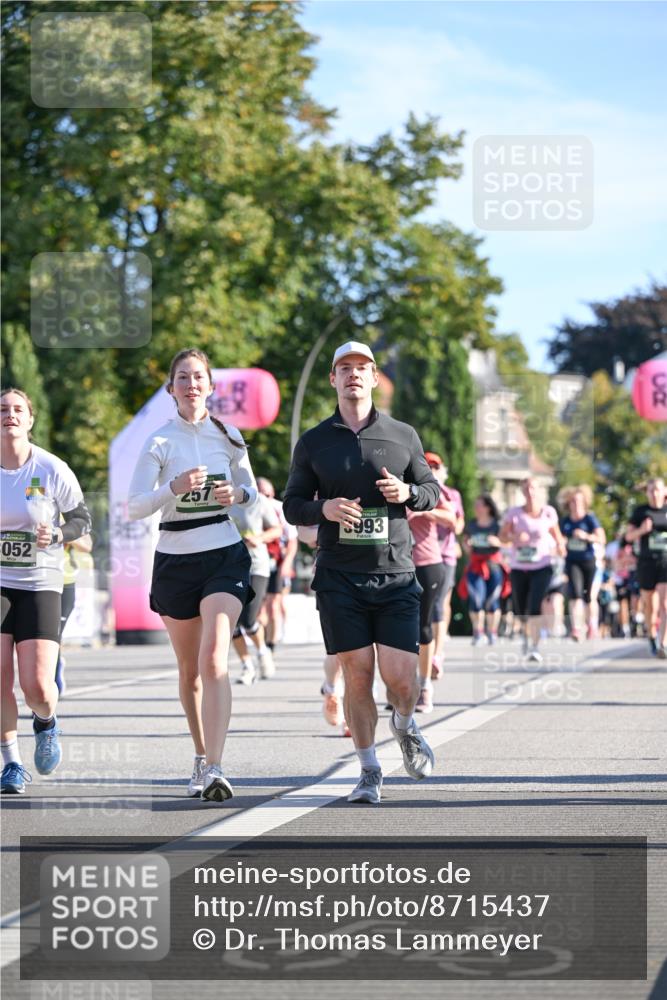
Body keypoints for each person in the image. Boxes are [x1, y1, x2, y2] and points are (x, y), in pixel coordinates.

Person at [283, 340, 439, 805]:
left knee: (403, 680)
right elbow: (291, 505)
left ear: (374, 378)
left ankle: (406, 724)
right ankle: (369, 770)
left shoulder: (402, 434)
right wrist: (324, 507)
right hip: (340, 577)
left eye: (362, 368)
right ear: (333, 379)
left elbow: (432, 491)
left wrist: (407, 493)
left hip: (394, 574)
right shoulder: (313, 441)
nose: (354, 374)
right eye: (344, 368)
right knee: (357, 675)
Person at [128, 349, 258, 802]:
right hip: (176, 559)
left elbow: (253, 493)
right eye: (182, 377)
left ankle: (218, 768)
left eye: (198, 376)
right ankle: (201, 756)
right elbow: (135, 505)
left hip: (223, 553)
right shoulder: (160, 442)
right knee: (190, 673)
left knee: (215, 658)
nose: (191, 384)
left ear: (210, 385)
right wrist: (173, 489)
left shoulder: (230, 435)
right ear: (171, 388)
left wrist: (236, 492)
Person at [1, 388, 91, 794]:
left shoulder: (52, 468)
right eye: (2, 409)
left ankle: (45, 721)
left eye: (18, 409)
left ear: (30, 420)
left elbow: (82, 520)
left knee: (37, 686)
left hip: (40, 581)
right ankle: (11, 763)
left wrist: (57, 532)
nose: (10, 415)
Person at [405, 451, 459, 712]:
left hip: (427, 563)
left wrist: (426, 512)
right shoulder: (392, 483)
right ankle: (403, 687)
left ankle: (425, 686)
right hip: (396, 565)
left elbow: (453, 519)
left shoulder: (430, 488)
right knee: (396, 631)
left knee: (422, 626)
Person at [500, 478, 565, 663]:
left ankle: (535, 646)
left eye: (533, 488)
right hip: (519, 566)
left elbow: (558, 537)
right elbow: (502, 538)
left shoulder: (548, 513)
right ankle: (526, 636)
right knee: (521, 606)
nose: (530, 491)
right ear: (522, 491)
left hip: (542, 565)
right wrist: (514, 536)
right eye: (526, 488)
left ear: (539, 490)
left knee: (536, 604)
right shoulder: (514, 513)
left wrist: (560, 547)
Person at [230, 489, 281, 685]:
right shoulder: (220, 499)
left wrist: (259, 538)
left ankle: (262, 652)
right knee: (232, 623)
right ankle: (247, 666)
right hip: (229, 567)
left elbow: (276, 529)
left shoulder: (259, 501)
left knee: (249, 619)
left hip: (257, 566)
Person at [426, 455, 464, 677]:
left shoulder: (451, 494)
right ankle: (425, 650)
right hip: (421, 555)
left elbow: (457, 522)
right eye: (427, 466)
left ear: (442, 470)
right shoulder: (414, 491)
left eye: (435, 467)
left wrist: (434, 515)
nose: (431, 470)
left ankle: (437, 654)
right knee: (425, 605)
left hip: (446, 554)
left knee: (440, 602)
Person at [625, 477, 667, 657]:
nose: (655, 493)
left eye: (658, 489)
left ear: (665, 491)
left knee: (665, 603)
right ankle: (651, 636)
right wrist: (642, 530)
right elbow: (628, 537)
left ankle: (663, 642)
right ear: (647, 493)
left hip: (666, 560)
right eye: (651, 490)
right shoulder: (640, 512)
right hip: (646, 562)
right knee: (650, 604)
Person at [557, 485, 605, 641]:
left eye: (579, 501)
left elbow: (601, 538)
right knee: (576, 594)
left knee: (589, 596)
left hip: (588, 561)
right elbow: (559, 540)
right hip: (572, 562)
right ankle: (576, 628)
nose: (576, 504)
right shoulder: (565, 521)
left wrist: (586, 536)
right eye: (573, 501)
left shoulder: (590, 519)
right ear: (568, 503)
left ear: (584, 502)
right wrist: (562, 543)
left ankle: (592, 625)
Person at [257, 477, 299, 651]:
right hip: (256, 562)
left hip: (276, 561)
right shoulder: (249, 507)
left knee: (274, 603)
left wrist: (287, 564)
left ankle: (271, 644)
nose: (263, 497)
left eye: (266, 494)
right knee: (259, 607)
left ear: (272, 493)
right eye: (259, 493)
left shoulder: (279, 508)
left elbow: (292, 540)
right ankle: (262, 640)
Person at [460, 493, 505, 645]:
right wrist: (467, 546)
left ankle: (492, 632)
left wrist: (497, 542)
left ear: (487, 507)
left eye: (479, 505)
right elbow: (465, 542)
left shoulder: (497, 525)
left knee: (492, 600)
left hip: (494, 566)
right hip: (475, 566)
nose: (476, 508)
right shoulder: (471, 524)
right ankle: (478, 632)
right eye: (476, 505)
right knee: (476, 599)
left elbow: (508, 543)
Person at [55, 532, 93, 695]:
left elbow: (87, 545)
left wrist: (62, 534)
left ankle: (53, 676)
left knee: (53, 635)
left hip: (64, 581)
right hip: (27, 582)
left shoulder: (66, 511)